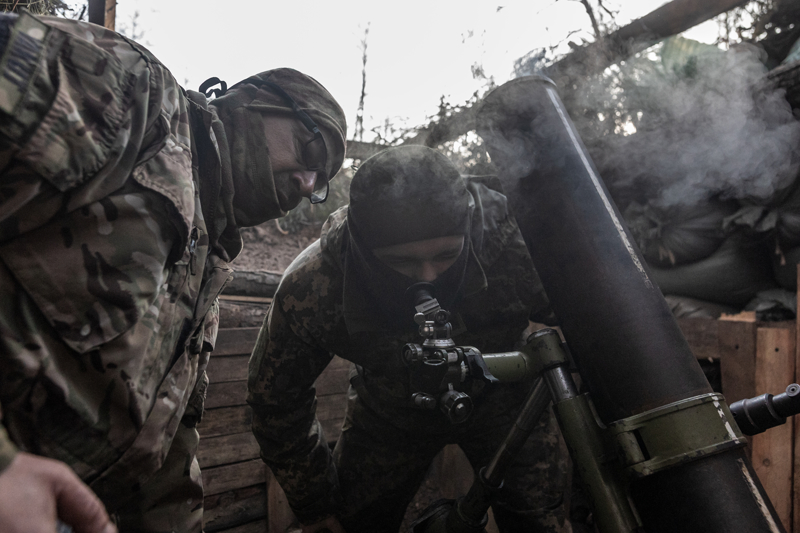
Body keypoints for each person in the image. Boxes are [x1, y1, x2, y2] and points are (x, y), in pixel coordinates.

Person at [0, 9, 346, 533]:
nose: (306, 183)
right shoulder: (133, 94)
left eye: (320, 181)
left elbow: (166, 448)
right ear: (253, 101)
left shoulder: (206, 271)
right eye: (310, 148)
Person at [248, 145, 568, 533]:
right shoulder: (316, 285)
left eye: (447, 254)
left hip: (509, 402)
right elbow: (276, 398)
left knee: (540, 520)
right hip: (388, 414)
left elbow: (593, 323)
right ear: (364, 248)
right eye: (402, 261)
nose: (428, 275)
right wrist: (313, 501)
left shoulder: (519, 248)